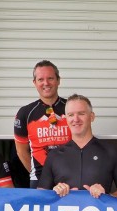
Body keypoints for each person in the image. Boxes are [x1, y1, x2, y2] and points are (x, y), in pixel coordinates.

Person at [14, 60, 72, 188]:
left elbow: (83, 143)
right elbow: (21, 151)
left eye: (50, 78)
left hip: (71, 178)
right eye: (40, 79)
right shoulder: (25, 113)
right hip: (39, 180)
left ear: (58, 80)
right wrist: (37, 173)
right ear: (34, 83)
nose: (46, 83)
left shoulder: (72, 108)